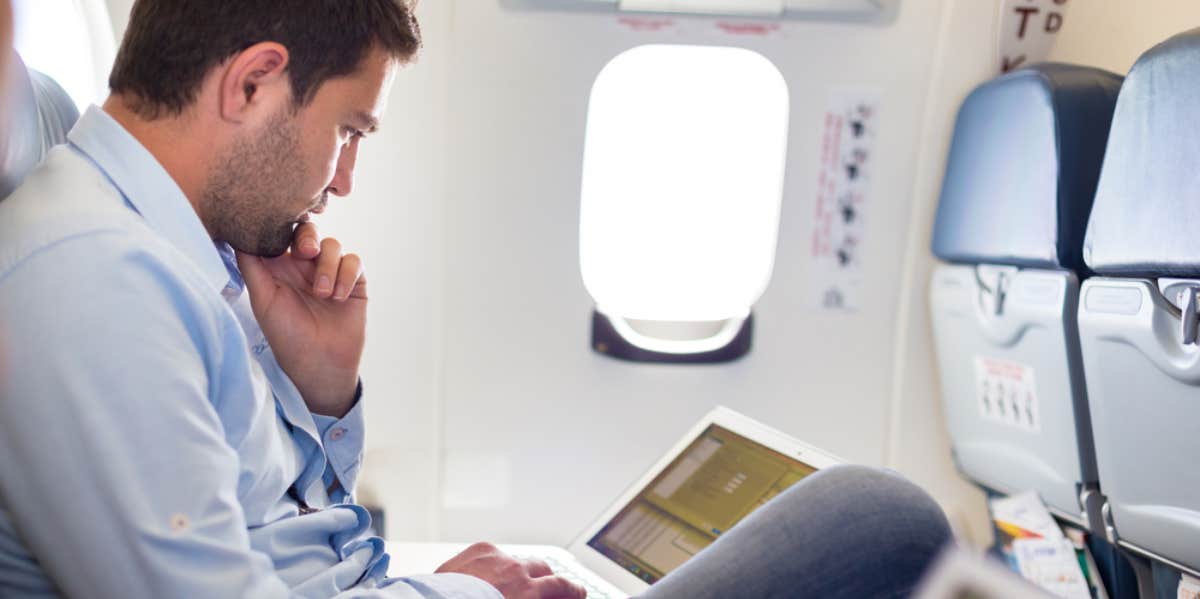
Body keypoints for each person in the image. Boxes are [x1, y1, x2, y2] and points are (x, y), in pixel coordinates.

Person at [0, 1, 952, 597]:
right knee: (878, 517)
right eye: (349, 130)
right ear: (253, 82)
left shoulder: (184, 247)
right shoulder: (96, 280)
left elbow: (289, 535)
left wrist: (323, 396)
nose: (342, 183)